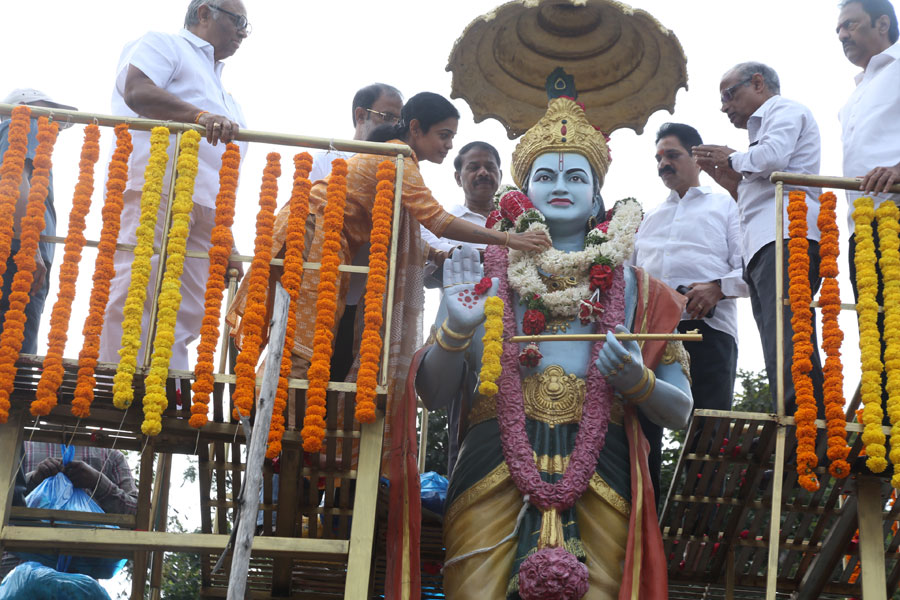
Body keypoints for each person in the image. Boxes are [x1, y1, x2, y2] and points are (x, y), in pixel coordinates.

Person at [415, 95, 692, 599]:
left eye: (575, 177)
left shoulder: (638, 289)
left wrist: (638, 381)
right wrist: (455, 331)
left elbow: (681, 410)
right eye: (545, 177)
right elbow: (431, 395)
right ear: (522, 193)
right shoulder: (478, 276)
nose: (560, 187)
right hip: (489, 467)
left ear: (597, 195)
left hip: (603, 473)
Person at [98, 0, 250, 370]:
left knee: (190, 305)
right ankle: (115, 384)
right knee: (138, 284)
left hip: (207, 205)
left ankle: (166, 391)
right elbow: (136, 91)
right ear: (203, 13)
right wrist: (199, 117)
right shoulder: (165, 44)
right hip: (158, 182)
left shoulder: (225, 92)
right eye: (239, 21)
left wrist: (225, 231)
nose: (244, 32)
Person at [694, 62, 824, 417]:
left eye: (728, 94)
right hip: (766, 243)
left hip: (786, 235)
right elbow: (762, 190)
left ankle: (807, 421)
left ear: (757, 83)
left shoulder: (784, 109)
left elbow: (774, 157)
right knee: (775, 336)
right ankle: (794, 417)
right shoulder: (762, 132)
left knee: (787, 334)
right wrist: (729, 179)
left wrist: (731, 158)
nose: (724, 107)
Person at [632, 122, 748, 504]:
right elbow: (629, 282)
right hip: (653, 337)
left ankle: (701, 526)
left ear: (696, 158)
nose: (664, 164)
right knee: (642, 432)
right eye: (659, 158)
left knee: (710, 432)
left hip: (709, 331)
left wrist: (717, 287)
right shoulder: (647, 219)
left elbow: (752, 267)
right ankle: (645, 524)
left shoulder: (728, 205)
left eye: (672, 155)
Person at [0, 89, 77, 355]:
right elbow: (13, 180)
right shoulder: (21, 123)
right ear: (23, 107)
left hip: (15, 256)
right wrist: (29, 250)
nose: (53, 125)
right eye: (49, 113)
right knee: (13, 361)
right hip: (17, 258)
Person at [421, 141, 503, 287]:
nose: (483, 172)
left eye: (490, 167)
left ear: (500, 175)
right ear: (458, 178)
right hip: (463, 308)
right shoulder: (443, 223)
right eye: (474, 168)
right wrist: (462, 255)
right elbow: (426, 276)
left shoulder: (518, 222)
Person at [308, 83, 403, 183]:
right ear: (360, 116)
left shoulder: (400, 165)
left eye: (400, 121)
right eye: (387, 117)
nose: (395, 125)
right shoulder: (325, 159)